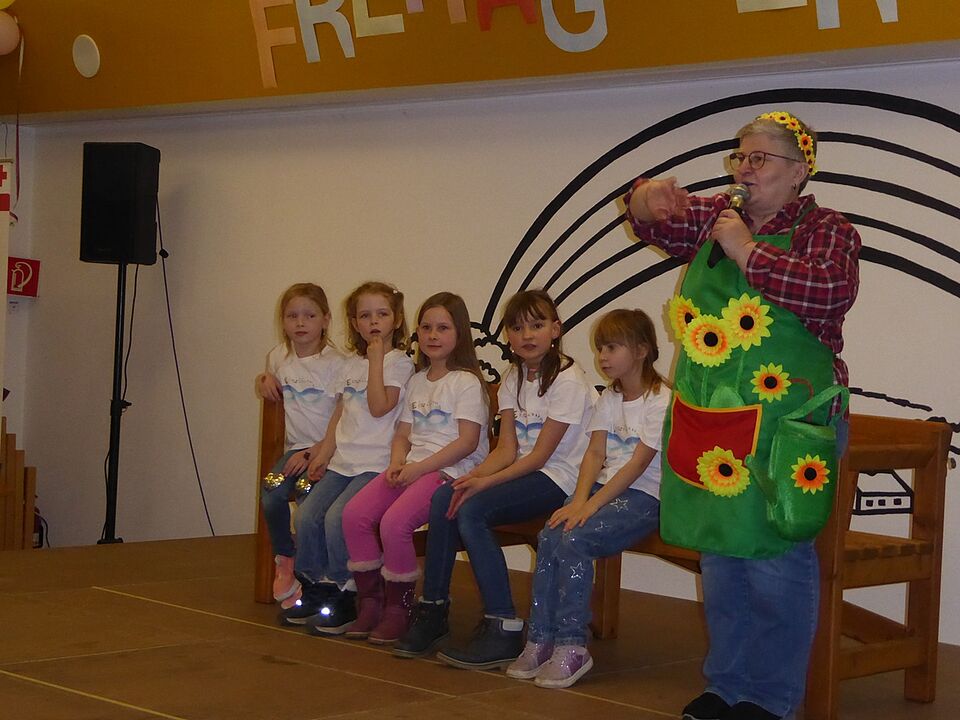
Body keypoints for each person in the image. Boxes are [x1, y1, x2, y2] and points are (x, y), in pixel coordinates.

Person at [625, 111, 860, 720]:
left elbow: (828, 292)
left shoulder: (828, 229)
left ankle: (770, 699)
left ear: (799, 171)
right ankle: (725, 687)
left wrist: (747, 251)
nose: (745, 169)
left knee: (776, 557)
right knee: (721, 557)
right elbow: (652, 218)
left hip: (791, 425)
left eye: (760, 158)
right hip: (714, 420)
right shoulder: (717, 215)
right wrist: (647, 199)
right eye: (740, 156)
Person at [394, 289, 597, 668]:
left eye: (537, 325)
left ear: (556, 329)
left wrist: (484, 484)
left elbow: (540, 456)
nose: (526, 335)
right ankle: (433, 609)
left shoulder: (568, 379)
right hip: (523, 472)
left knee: (473, 510)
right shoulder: (512, 376)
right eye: (517, 328)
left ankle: (502, 624)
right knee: (447, 496)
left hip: (560, 479)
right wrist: (470, 478)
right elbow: (506, 450)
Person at [505, 308, 669, 689]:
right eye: (600, 349)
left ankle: (572, 644)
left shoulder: (661, 400)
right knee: (551, 534)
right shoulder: (610, 397)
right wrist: (577, 500)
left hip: (645, 497)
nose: (602, 357)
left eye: (612, 348)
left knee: (576, 539)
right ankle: (540, 638)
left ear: (641, 350)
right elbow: (595, 454)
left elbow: (637, 465)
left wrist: (589, 507)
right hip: (604, 490)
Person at [341, 292, 489, 644]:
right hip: (412, 468)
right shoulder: (418, 380)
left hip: (448, 471)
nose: (432, 335)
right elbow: (403, 433)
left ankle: (401, 608)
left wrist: (419, 468)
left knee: (394, 523)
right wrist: (397, 462)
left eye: (443, 328)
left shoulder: (466, 382)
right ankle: (371, 602)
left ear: (460, 333)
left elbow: (467, 443)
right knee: (354, 515)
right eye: (426, 327)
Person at [280, 281, 415, 635]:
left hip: (376, 464)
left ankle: (345, 590)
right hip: (343, 462)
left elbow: (380, 406)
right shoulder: (350, 364)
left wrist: (376, 361)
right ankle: (314, 585)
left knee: (337, 517)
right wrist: (324, 452)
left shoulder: (399, 364)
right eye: (365, 316)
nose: (374, 322)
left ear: (396, 319)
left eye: (382, 314)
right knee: (307, 515)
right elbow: (340, 412)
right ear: (354, 323)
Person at [256, 283, 343, 611]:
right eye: (292, 316)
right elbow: (270, 380)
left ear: (326, 319)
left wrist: (316, 452)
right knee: (271, 491)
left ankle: (314, 575)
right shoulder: (278, 356)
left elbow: (345, 415)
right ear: (283, 321)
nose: (301, 323)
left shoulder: (338, 363)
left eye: (310, 315)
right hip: (295, 451)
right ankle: (286, 558)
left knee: (307, 497)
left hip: (327, 452)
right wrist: (264, 379)